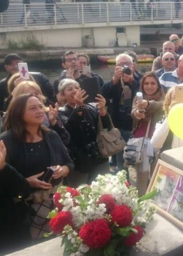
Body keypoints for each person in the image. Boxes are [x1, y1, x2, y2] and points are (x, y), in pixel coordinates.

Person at [1, 94, 73, 240]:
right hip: (25, 210)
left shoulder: (51, 135)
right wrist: (26, 182)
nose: (40, 111)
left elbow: (69, 162)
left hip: (57, 204)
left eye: (41, 106)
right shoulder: (7, 140)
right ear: (19, 113)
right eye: (33, 108)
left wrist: (64, 170)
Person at [58, 79, 110, 186]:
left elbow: (106, 127)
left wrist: (103, 111)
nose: (74, 91)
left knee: (104, 190)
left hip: (98, 156)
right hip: (79, 162)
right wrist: (79, 107)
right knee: (79, 195)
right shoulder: (60, 112)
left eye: (76, 88)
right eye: (70, 89)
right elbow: (70, 129)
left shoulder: (91, 107)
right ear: (63, 96)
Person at [102, 53, 140, 173]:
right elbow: (103, 96)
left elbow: (144, 92)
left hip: (135, 125)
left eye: (127, 64)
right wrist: (114, 80)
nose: (124, 67)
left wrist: (133, 81)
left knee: (136, 160)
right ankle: (123, 181)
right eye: (121, 64)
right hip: (118, 126)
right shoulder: (113, 82)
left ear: (133, 65)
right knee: (121, 160)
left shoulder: (141, 79)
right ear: (116, 67)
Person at [128, 72, 164, 195]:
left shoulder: (164, 97)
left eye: (153, 83)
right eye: (146, 83)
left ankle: (155, 202)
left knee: (156, 174)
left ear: (158, 85)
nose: (149, 86)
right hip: (141, 142)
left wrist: (148, 104)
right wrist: (137, 114)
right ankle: (141, 202)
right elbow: (133, 111)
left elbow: (160, 105)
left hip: (157, 142)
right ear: (142, 85)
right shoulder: (138, 98)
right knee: (141, 176)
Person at [11, 81, 70, 146]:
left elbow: (65, 140)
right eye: (29, 94)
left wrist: (53, 123)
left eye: (37, 93)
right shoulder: (13, 117)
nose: (35, 96)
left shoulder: (50, 113)